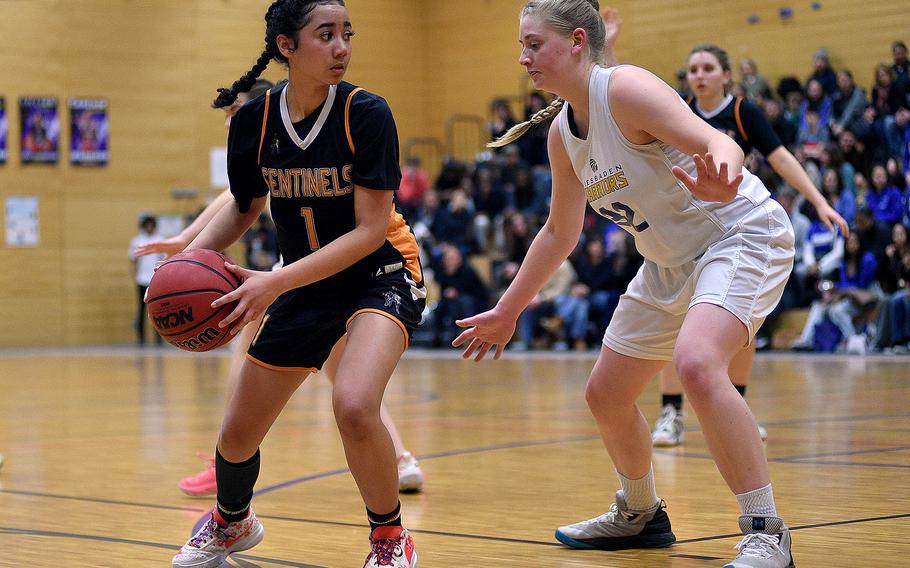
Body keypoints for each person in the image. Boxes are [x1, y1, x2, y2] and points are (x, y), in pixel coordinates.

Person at [453, 2, 797, 566]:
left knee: (696, 363)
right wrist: (507, 310)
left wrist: (723, 173)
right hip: (668, 262)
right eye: (522, 45)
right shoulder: (563, 134)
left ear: (577, 42)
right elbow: (560, 232)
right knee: (606, 394)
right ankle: (641, 514)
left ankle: (767, 531)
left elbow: (719, 142)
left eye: (534, 44)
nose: (524, 58)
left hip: (735, 233)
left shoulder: (626, 89)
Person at [168, 2, 424, 567]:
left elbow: (368, 231)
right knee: (236, 435)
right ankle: (232, 522)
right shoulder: (256, 120)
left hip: (380, 270)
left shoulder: (367, 113)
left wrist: (273, 282)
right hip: (306, 279)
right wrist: (184, 264)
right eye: (325, 35)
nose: (341, 48)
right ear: (287, 46)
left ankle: (390, 540)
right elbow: (243, 207)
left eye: (346, 35)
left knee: (355, 404)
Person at [136, 78, 425, 499]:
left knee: (332, 385)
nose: (230, 124)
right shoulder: (260, 150)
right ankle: (399, 458)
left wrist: (186, 247)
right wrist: (183, 251)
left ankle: (231, 458)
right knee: (342, 379)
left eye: (234, 113)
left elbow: (232, 204)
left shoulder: (331, 126)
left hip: (341, 270)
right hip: (304, 272)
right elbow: (232, 203)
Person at [651, 42, 849, 448]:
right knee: (676, 323)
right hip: (690, 228)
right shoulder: (680, 109)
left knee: (743, 325)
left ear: (726, 74)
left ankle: (735, 409)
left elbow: (780, 158)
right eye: (693, 69)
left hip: (737, 228)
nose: (700, 75)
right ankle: (671, 412)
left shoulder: (743, 112)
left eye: (708, 67)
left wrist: (819, 201)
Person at [128, 215, 165, 346]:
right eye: (147, 225)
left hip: (155, 280)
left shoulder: (160, 240)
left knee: (158, 310)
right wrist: (134, 274)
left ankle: (159, 338)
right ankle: (141, 339)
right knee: (141, 310)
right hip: (142, 280)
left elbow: (164, 259)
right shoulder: (137, 241)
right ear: (144, 226)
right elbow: (133, 260)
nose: (149, 227)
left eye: (151, 225)